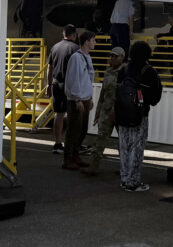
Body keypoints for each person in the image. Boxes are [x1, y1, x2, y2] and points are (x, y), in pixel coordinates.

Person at [117, 40, 162, 192]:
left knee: (124, 147)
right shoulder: (149, 71)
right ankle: (133, 182)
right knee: (137, 148)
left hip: (122, 114)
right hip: (140, 115)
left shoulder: (124, 69)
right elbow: (155, 97)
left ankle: (124, 179)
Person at [87, 46, 125, 175]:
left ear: (122, 58)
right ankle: (94, 165)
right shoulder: (108, 72)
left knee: (123, 141)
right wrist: (97, 114)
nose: (112, 58)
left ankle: (124, 168)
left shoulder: (125, 72)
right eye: (111, 56)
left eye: (115, 56)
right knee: (100, 138)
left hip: (120, 111)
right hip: (106, 111)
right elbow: (103, 95)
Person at [62, 30, 96, 170]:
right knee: (74, 129)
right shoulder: (76, 58)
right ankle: (68, 159)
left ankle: (75, 156)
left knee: (82, 130)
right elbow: (73, 79)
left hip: (85, 98)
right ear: (86, 41)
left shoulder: (86, 57)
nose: (95, 43)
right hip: (78, 99)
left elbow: (87, 79)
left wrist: (90, 97)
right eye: (93, 40)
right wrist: (77, 99)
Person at [46, 25, 79, 155]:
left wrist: (49, 85)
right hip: (69, 85)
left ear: (63, 34)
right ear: (74, 35)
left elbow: (50, 68)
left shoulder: (55, 47)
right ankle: (70, 143)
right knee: (72, 115)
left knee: (59, 114)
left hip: (56, 84)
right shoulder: (75, 49)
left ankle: (58, 143)